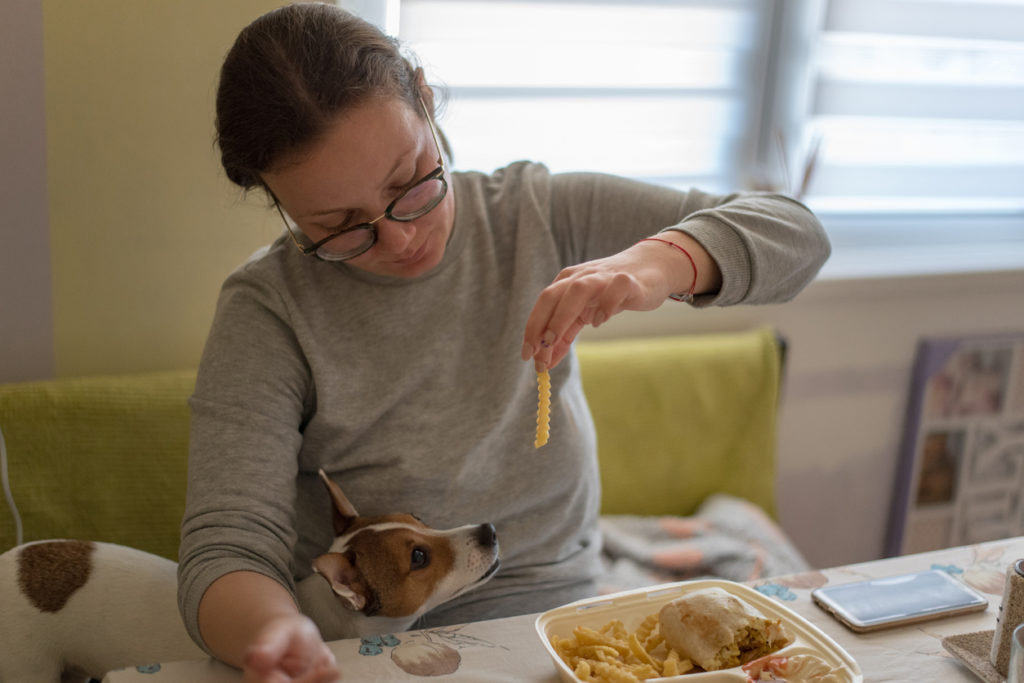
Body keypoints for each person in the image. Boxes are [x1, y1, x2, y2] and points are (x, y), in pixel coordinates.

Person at [178, 3, 831, 680]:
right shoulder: (268, 309)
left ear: (425, 99)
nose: (401, 238)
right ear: (278, 203)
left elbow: (797, 233)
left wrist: (659, 262)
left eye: (410, 182)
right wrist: (275, 628)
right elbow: (226, 549)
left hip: (557, 620)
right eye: (340, 226)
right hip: (370, 645)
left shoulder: (533, 216)